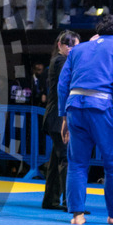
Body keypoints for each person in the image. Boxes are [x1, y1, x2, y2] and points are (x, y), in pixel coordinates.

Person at [58, 15, 113, 225]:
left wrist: (64, 116)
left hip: (74, 108)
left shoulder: (78, 50)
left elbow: (63, 84)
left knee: (77, 163)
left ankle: (77, 215)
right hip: (101, 109)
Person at [42, 31, 80, 211]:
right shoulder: (61, 61)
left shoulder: (60, 60)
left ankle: (51, 199)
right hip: (58, 118)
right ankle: (70, 201)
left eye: (75, 45)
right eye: (68, 44)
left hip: (55, 117)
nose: (72, 48)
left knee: (58, 159)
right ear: (60, 45)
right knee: (66, 158)